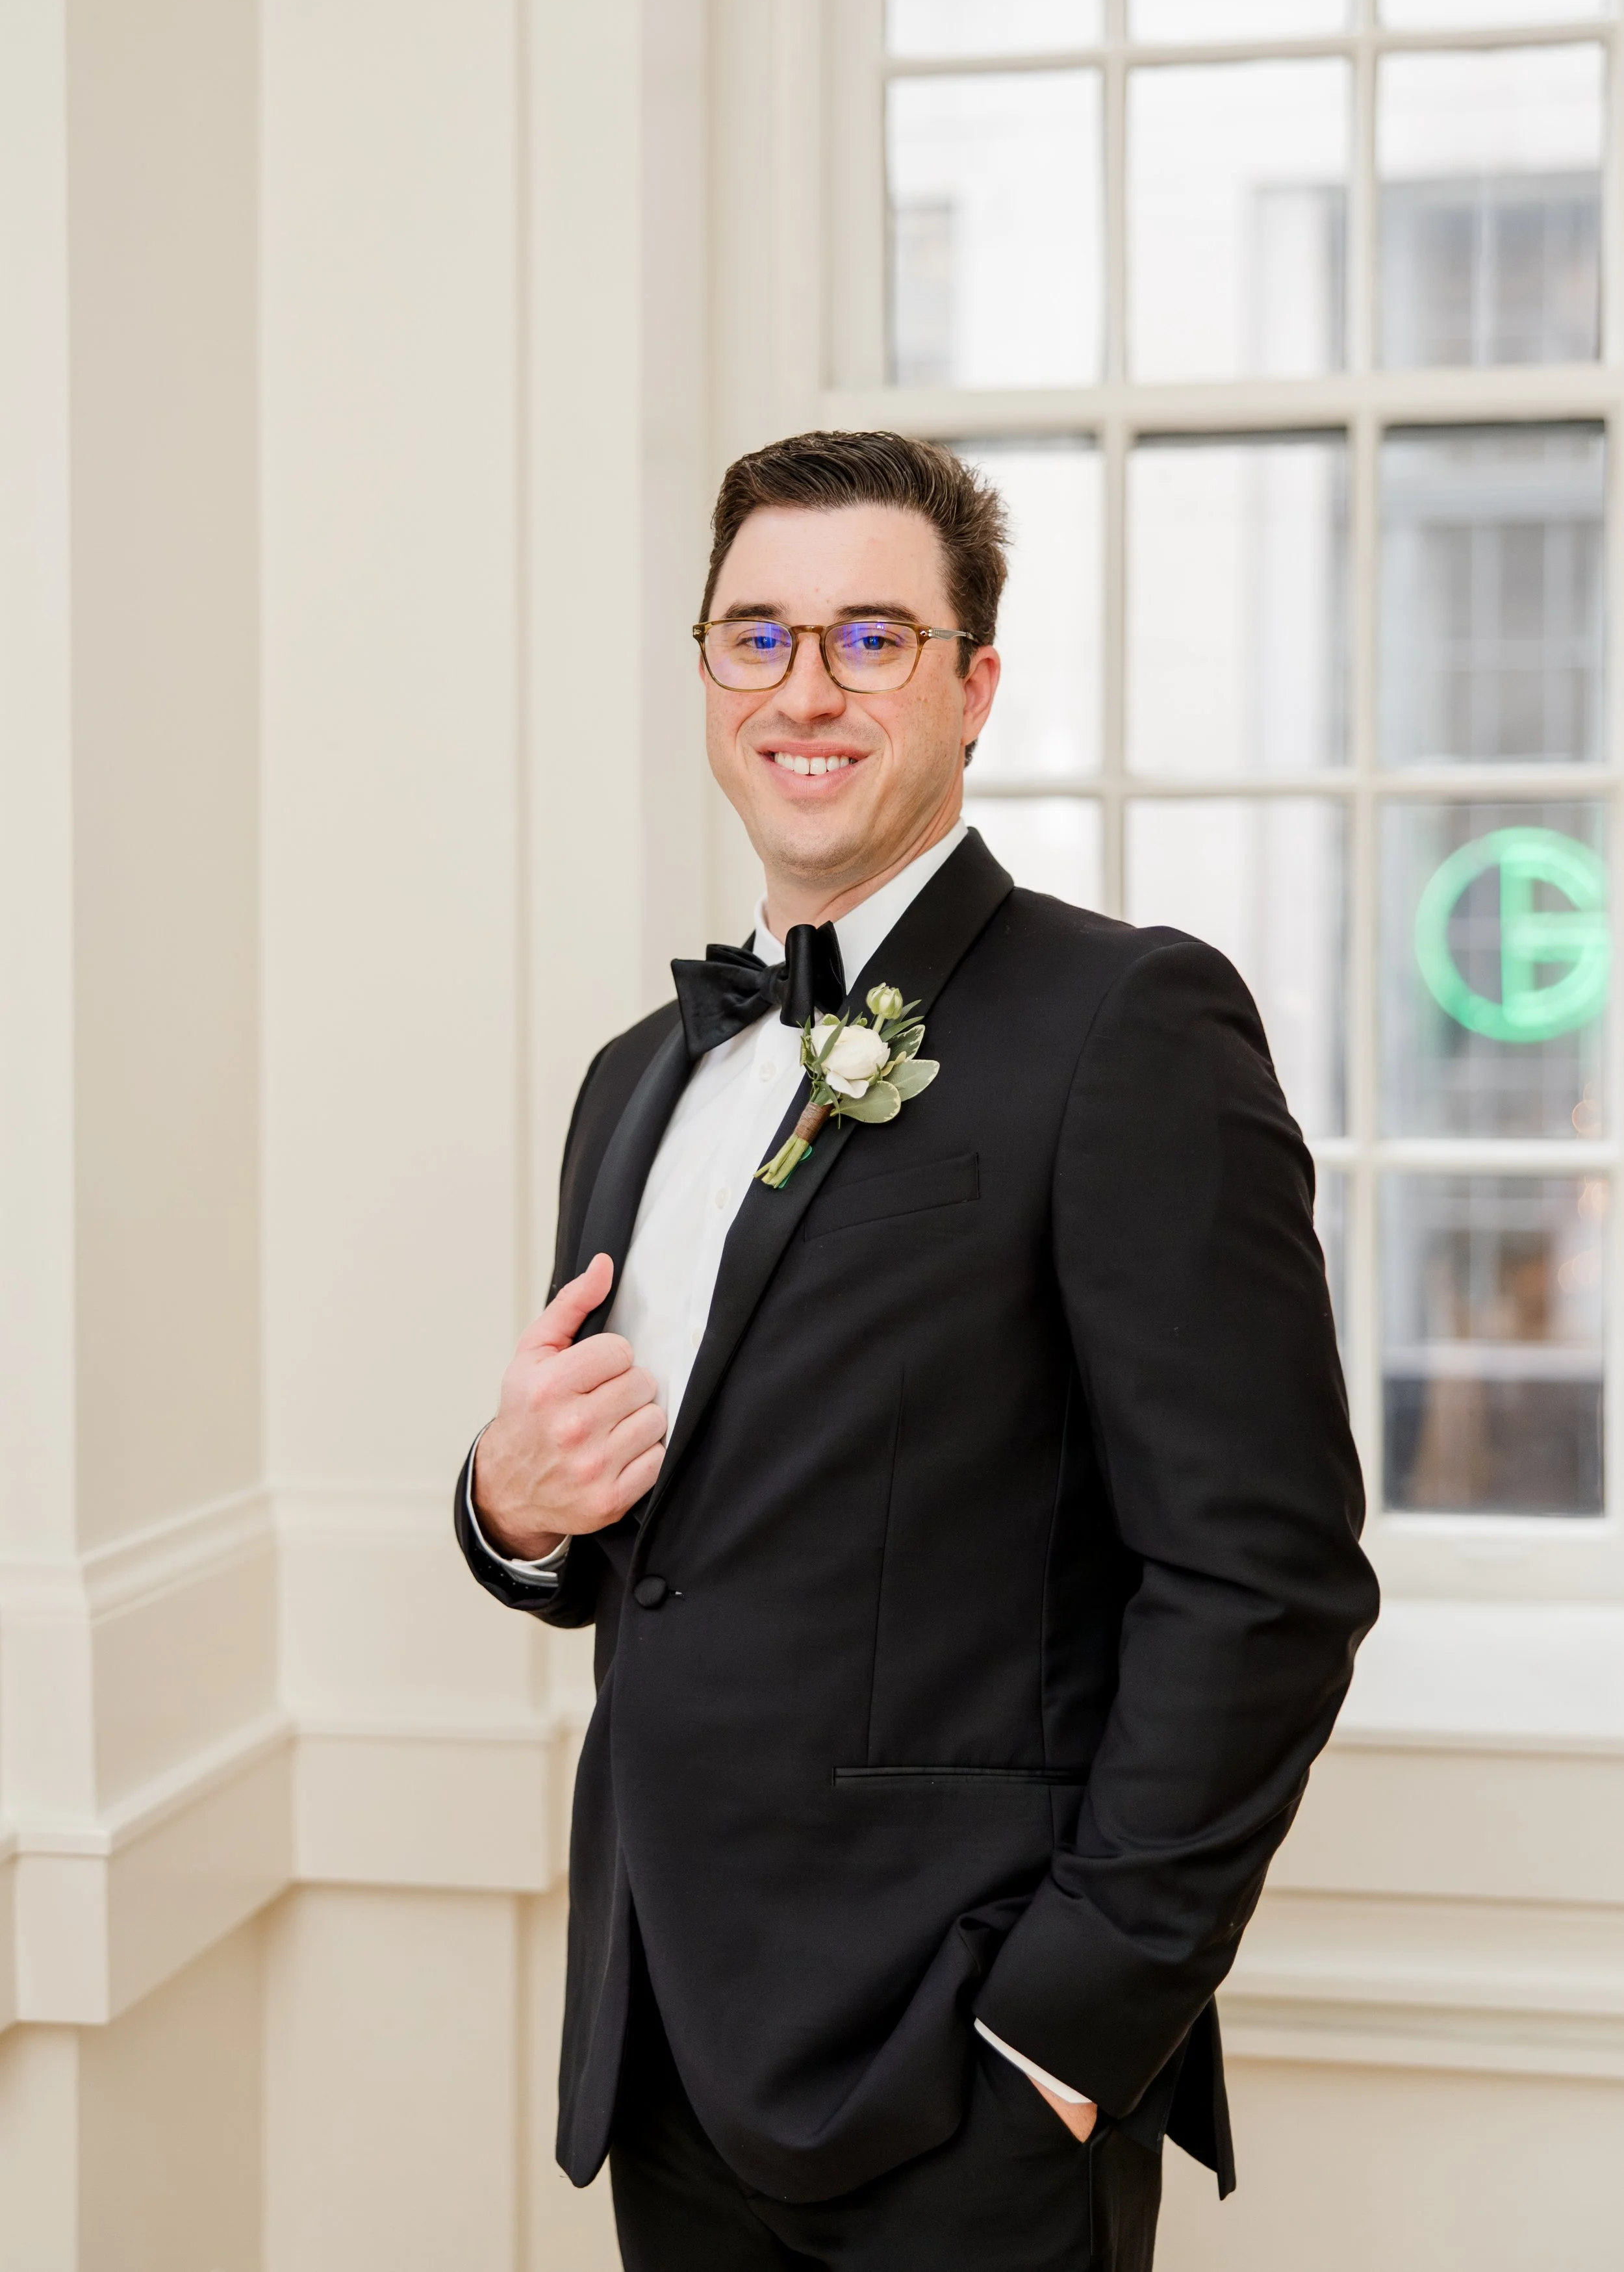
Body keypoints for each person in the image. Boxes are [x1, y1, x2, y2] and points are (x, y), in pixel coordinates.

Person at [455, 430, 1379, 2271]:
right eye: (757, 636)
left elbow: (1263, 1578)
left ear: (974, 686)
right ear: (707, 676)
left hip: (955, 2076)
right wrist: (506, 1503)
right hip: (664, 2044)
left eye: (871, 638)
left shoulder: (1127, 1021)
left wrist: (1060, 2026)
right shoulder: (633, 1084)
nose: (805, 687)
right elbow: (662, 1542)